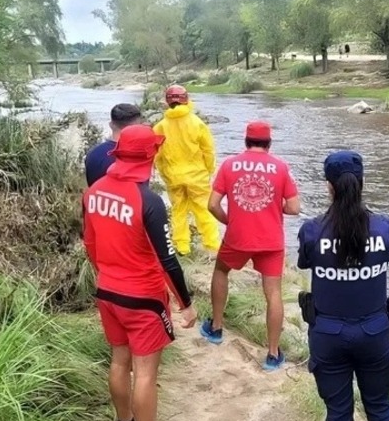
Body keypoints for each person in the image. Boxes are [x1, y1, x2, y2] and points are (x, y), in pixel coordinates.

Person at [82, 124, 197, 421]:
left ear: (119, 153)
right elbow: (168, 260)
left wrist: (106, 275)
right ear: (151, 155)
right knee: (145, 372)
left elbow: (89, 243)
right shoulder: (148, 200)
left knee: (119, 361)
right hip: (144, 299)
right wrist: (186, 304)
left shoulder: (93, 192)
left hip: (108, 292)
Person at [297, 150, 389, 421]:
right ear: (362, 182)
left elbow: (305, 262)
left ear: (329, 186)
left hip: (328, 335)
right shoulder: (384, 228)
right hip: (374, 332)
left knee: (339, 415)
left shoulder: (313, 230)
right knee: (380, 409)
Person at [200, 121, 301, 371]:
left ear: (246, 141)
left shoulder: (229, 164)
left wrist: (229, 220)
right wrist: (275, 206)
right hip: (271, 241)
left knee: (221, 271)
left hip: (238, 237)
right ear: (269, 143)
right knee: (274, 293)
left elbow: (212, 205)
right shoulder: (280, 167)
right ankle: (273, 354)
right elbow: (295, 208)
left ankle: (216, 328)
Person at [153, 85, 220, 255]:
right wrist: (209, 170)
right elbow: (208, 151)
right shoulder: (198, 124)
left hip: (173, 177)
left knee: (178, 210)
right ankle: (211, 246)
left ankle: (182, 246)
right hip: (197, 176)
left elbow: (156, 155)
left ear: (167, 102)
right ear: (186, 99)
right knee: (203, 210)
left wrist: (164, 174)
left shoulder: (160, 127)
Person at [84, 103, 143, 187]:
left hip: (96, 198)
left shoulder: (92, 154)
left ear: (111, 125)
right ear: (137, 127)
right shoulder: (138, 158)